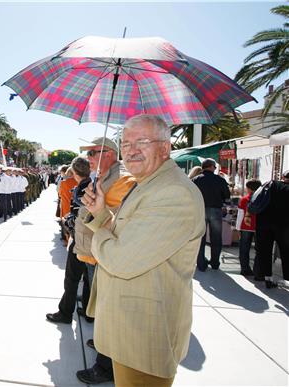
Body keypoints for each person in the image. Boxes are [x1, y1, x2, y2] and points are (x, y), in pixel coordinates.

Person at [81, 115, 204, 386]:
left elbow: (120, 260)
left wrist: (98, 234)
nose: (131, 149)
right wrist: (101, 213)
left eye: (142, 141)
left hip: (145, 336)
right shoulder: (148, 184)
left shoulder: (173, 193)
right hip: (128, 328)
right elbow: (125, 236)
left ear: (165, 148)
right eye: (125, 143)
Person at [70, 138, 136, 385]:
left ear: (108, 153)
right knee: (101, 309)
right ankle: (102, 344)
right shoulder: (103, 175)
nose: (88, 157)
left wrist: (94, 203)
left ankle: (105, 366)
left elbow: (117, 217)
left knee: (109, 312)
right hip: (93, 251)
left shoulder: (122, 178)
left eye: (92, 152)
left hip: (104, 254)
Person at [192, 158, 231, 271]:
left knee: (200, 237)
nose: (215, 168)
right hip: (215, 209)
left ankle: (200, 263)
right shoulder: (219, 179)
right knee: (216, 238)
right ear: (211, 166)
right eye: (214, 166)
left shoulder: (196, 180)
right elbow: (227, 195)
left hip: (200, 210)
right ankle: (214, 262)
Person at [254, 170, 289, 288]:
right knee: (286, 252)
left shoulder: (271, 184)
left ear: (283, 177)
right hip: (284, 226)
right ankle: (287, 280)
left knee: (264, 251)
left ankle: (267, 278)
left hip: (264, 224)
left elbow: (256, 198)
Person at [236, 179, 261, 276]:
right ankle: (258, 270)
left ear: (249, 189)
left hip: (246, 226)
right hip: (258, 227)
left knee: (244, 248)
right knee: (259, 249)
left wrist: (238, 228)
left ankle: (245, 269)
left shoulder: (244, 199)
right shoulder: (263, 199)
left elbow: (240, 215)